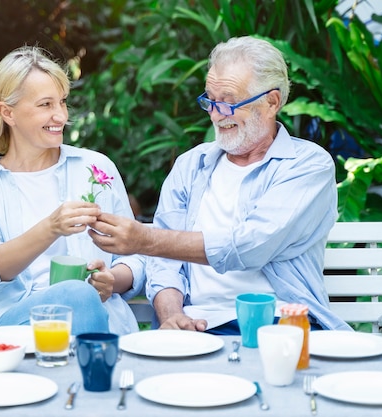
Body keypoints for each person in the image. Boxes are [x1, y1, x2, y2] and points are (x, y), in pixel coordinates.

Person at [89, 36, 351, 333]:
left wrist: (146, 240)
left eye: (228, 102)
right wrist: (172, 315)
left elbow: (249, 246)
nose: (215, 114)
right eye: (210, 101)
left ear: (271, 102)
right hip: (199, 325)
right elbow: (164, 264)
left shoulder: (307, 165)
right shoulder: (190, 166)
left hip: (282, 322)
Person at [0, 45, 145, 335]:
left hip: (97, 317)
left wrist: (113, 280)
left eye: (62, 102)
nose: (61, 116)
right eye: (46, 105)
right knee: (77, 294)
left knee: (82, 296)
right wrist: (51, 227)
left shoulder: (95, 168)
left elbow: (134, 254)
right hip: (17, 328)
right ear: (8, 112)